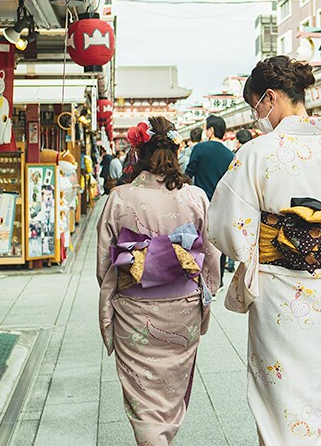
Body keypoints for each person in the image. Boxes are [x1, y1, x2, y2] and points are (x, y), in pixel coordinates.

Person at [208, 56, 321, 446]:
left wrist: (264, 239)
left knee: (282, 402)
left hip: (282, 294)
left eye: (255, 106)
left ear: (270, 98)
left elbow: (224, 227)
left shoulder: (258, 153)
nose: (257, 116)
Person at [96, 117, 220, 445]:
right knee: (172, 387)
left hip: (134, 308)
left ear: (138, 154)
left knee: (142, 393)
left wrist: (117, 288)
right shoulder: (195, 197)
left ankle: (152, 439)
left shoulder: (119, 197)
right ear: (175, 152)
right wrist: (205, 290)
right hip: (182, 309)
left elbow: (104, 263)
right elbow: (211, 253)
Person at [187, 115, 236, 280]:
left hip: (200, 205)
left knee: (200, 242)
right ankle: (218, 279)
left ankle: (200, 276)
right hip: (221, 205)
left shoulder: (200, 149)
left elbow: (188, 173)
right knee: (218, 243)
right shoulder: (229, 154)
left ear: (211, 130)